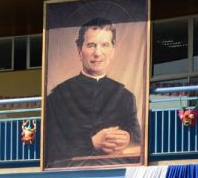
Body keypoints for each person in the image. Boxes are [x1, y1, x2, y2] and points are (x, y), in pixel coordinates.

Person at [44, 17, 142, 168]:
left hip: (115, 170)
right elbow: (51, 146)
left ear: (113, 50)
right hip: (73, 174)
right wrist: (92, 142)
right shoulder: (58, 97)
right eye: (91, 45)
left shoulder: (126, 97)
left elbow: (138, 137)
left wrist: (127, 138)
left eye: (104, 45)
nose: (97, 53)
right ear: (79, 51)